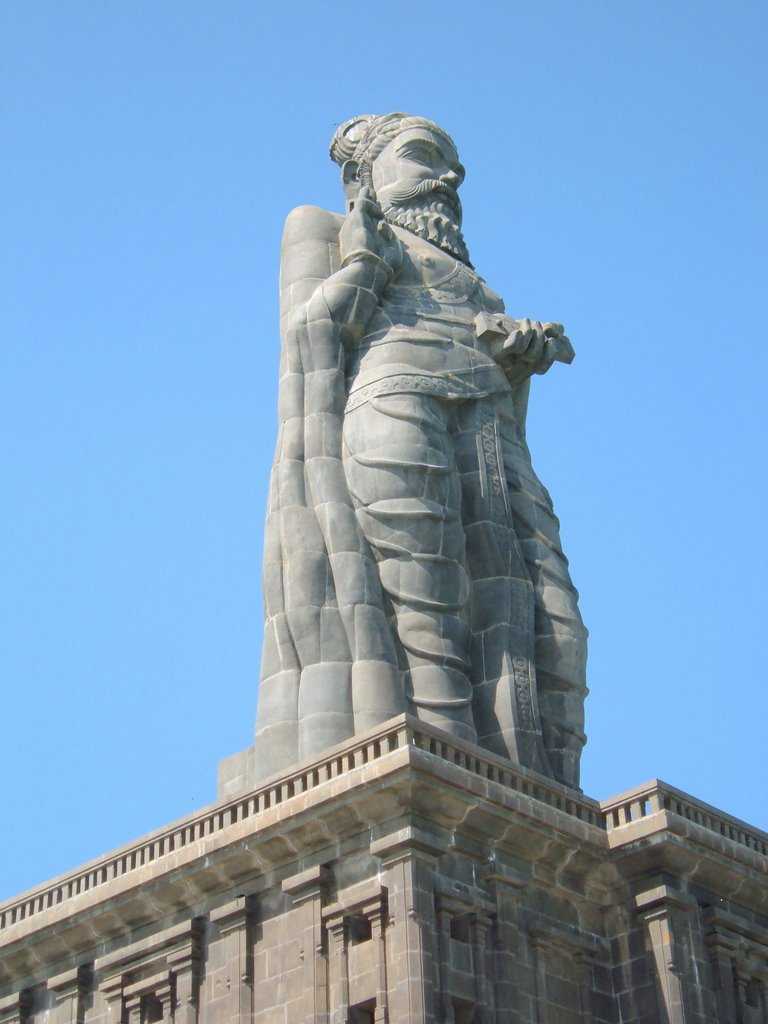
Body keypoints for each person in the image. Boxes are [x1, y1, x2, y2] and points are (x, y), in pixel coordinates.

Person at [254, 113, 587, 788]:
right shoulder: (321, 226)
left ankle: (547, 788)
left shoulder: (471, 276)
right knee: (427, 611)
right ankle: (446, 785)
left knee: (552, 621)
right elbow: (310, 332)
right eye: (424, 157)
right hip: (394, 410)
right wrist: (368, 256)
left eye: (453, 165)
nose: (450, 177)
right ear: (361, 177)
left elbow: (504, 390)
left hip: (491, 432)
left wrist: (519, 357)